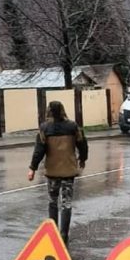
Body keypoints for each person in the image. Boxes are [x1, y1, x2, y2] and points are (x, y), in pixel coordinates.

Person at [27, 100, 88, 245]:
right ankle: (64, 234)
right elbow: (83, 144)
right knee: (66, 203)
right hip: (68, 171)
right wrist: (82, 159)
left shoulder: (44, 128)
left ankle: (53, 233)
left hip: (52, 171)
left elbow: (39, 150)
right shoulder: (73, 127)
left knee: (53, 201)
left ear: (49, 111)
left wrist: (32, 168)